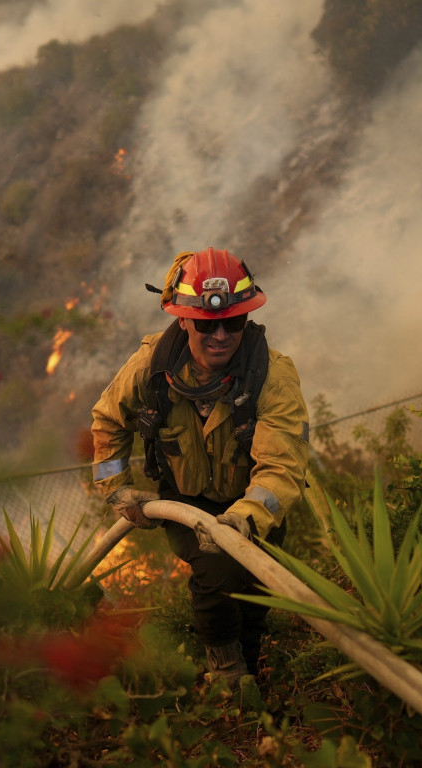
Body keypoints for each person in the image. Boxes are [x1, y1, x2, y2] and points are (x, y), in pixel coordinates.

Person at [89, 247, 310, 684]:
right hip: (184, 503)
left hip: (252, 510)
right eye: (209, 324)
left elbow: (282, 468)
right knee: (216, 575)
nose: (221, 335)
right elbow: (108, 420)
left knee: (254, 591)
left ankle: (250, 663)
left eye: (233, 322)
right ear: (185, 319)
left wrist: (246, 518)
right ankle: (227, 676)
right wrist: (115, 489)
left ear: (246, 321)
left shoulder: (272, 376)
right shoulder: (152, 366)